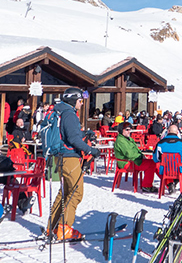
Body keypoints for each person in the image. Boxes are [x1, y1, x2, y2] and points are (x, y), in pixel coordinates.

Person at [46, 88, 100, 240]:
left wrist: (83, 134)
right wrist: (91, 150)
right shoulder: (69, 114)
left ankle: (53, 227)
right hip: (69, 157)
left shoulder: (60, 111)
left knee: (65, 193)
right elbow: (73, 140)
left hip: (60, 156)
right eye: (80, 101)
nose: (82, 104)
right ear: (73, 100)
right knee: (76, 193)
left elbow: (68, 134)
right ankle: (65, 228)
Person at [113, 122, 158, 193]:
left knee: (155, 163)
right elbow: (129, 154)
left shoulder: (128, 139)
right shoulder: (121, 141)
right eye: (127, 130)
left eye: (130, 130)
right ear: (122, 130)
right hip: (126, 163)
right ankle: (147, 186)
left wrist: (142, 155)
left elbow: (135, 150)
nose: (129, 131)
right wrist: (141, 157)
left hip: (133, 160)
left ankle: (169, 183)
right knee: (151, 164)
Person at [154, 124, 182, 194]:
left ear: (168, 131)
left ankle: (170, 183)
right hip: (180, 169)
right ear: (177, 132)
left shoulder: (160, 143)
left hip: (165, 170)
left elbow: (155, 159)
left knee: (157, 167)